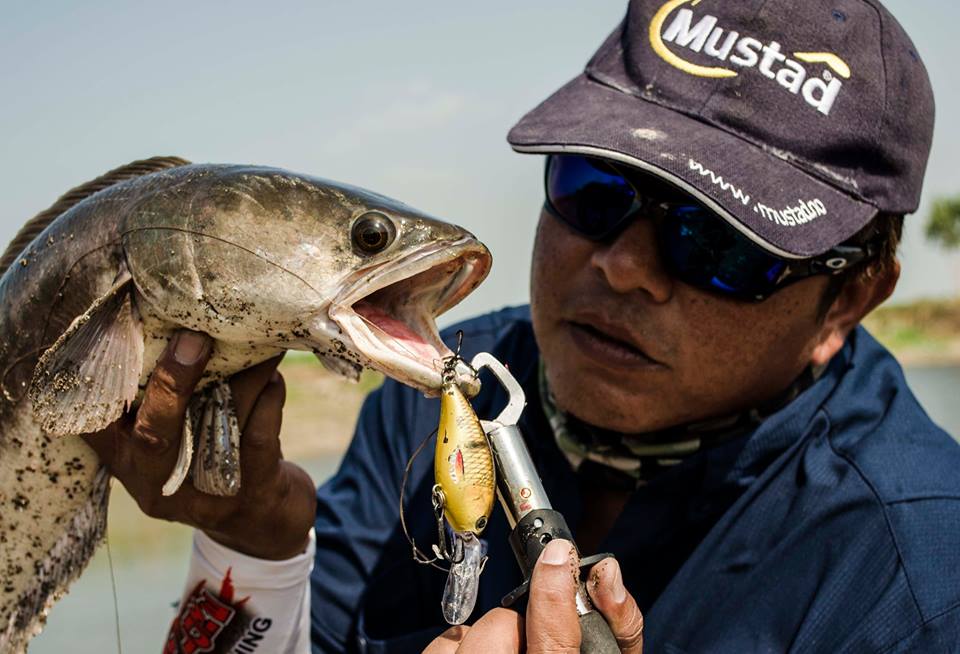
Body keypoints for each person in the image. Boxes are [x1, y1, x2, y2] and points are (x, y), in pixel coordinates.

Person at [86, 0, 960, 651]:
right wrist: (257, 547)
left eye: (717, 242)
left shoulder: (918, 590)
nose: (622, 265)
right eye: (595, 189)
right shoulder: (439, 388)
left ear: (845, 301)